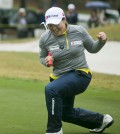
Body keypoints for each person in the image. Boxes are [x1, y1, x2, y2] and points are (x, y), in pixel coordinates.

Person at [39, 7, 114, 134]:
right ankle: (101, 121)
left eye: (56, 24)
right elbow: (41, 56)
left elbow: (92, 48)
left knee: (51, 89)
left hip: (80, 74)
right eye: (50, 25)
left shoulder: (78, 30)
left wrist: (101, 42)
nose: (54, 28)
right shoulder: (45, 38)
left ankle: (54, 130)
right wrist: (46, 60)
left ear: (64, 19)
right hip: (59, 78)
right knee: (65, 114)